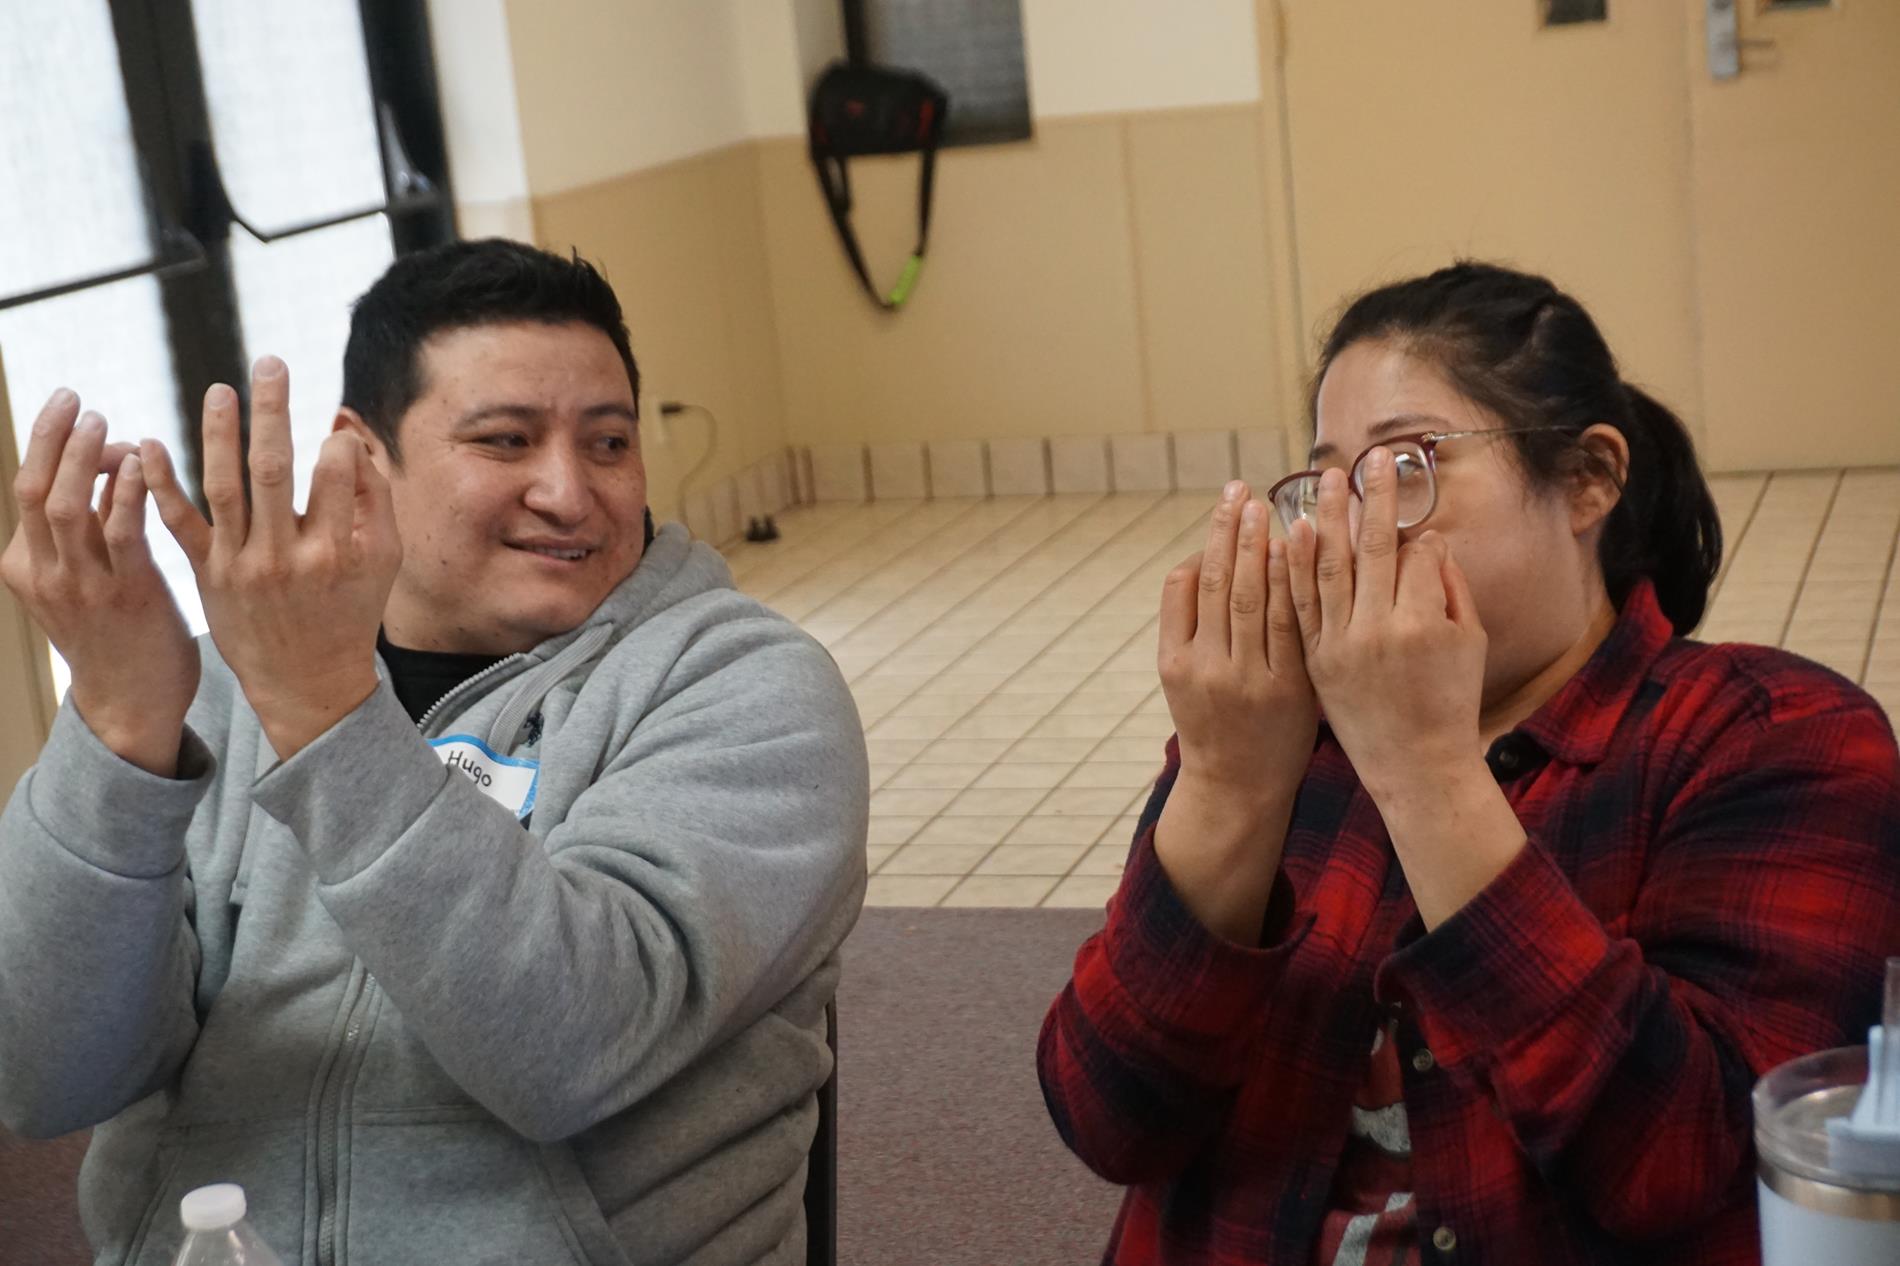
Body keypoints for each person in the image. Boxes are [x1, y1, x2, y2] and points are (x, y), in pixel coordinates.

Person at [0, 238, 868, 1265]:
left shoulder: (743, 687)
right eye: (504, 441)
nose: (569, 492)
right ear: (364, 457)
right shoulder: (211, 696)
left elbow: (569, 1051)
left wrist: (326, 714)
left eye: (608, 443)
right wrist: (118, 728)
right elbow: (46, 1077)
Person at [1038, 261, 1900, 1264]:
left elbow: (1678, 1165)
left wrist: (1425, 768)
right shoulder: (1282, 741)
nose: (1350, 525)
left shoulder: (1770, 735)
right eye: (1327, 480)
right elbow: (1109, 1118)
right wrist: (1226, 785)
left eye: (1407, 467)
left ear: (1587, 479)